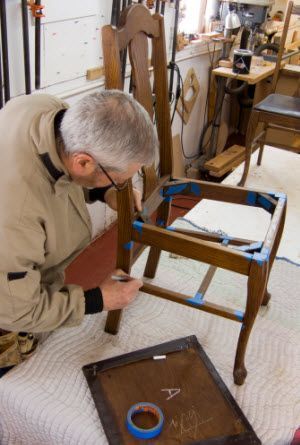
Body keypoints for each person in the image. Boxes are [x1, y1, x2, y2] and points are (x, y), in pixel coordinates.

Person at [0, 90, 157, 344]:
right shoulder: (18, 218)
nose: (123, 186)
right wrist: (98, 299)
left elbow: (63, 165)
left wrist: (105, 190)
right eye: (119, 180)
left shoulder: (46, 110)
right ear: (83, 163)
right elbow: (15, 311)